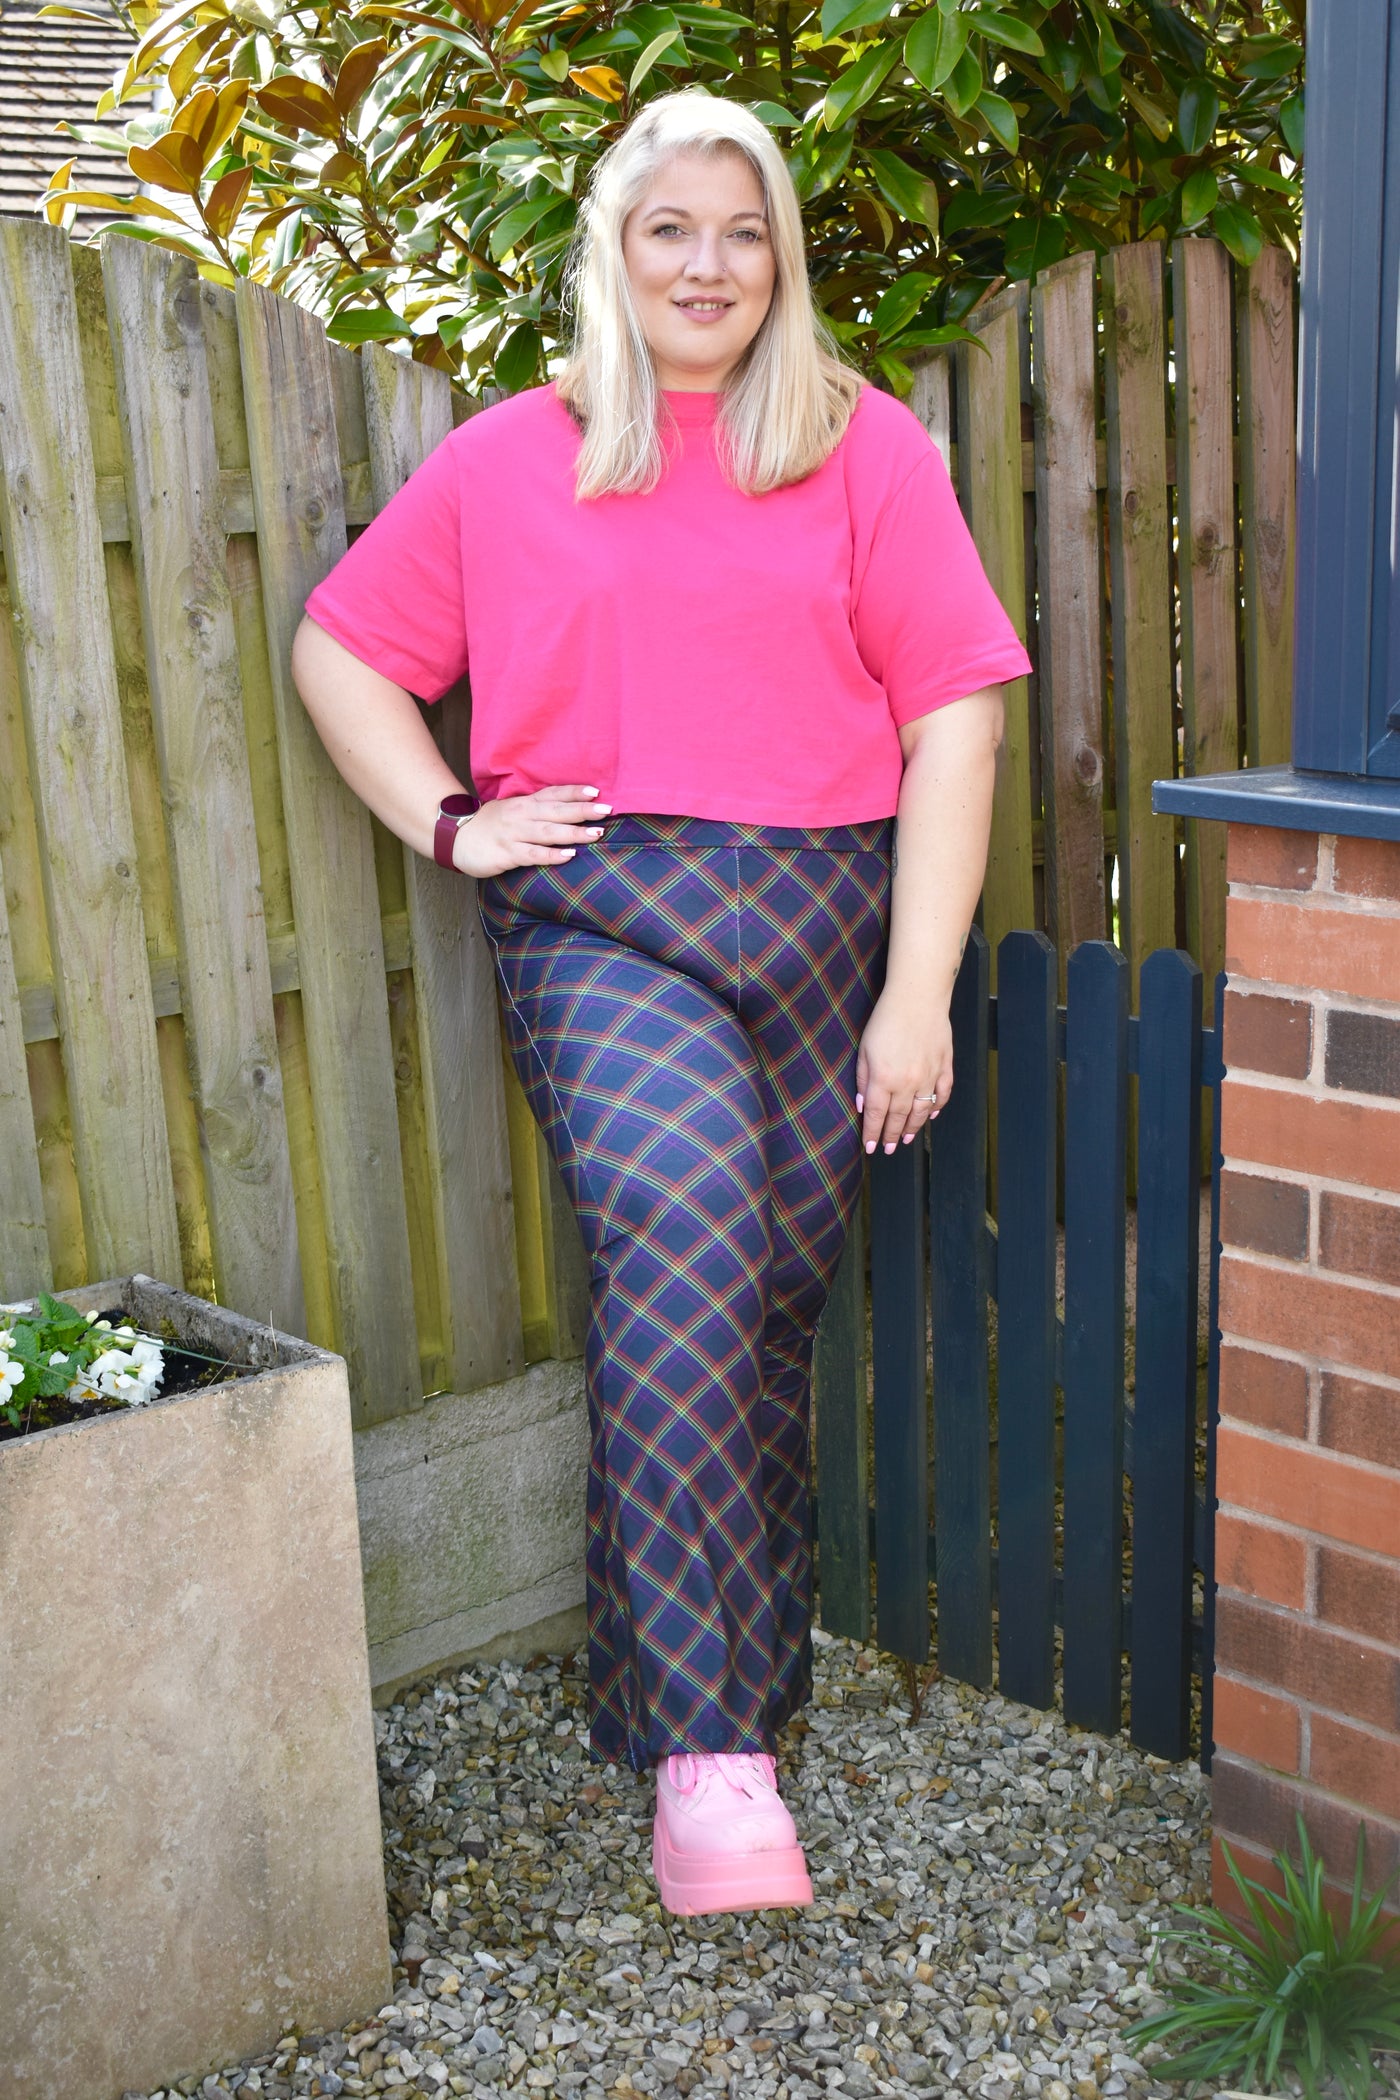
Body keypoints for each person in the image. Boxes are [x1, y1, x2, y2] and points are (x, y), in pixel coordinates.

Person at [292, 88, 1031, 1920]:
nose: (708, 265)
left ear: (782, 258)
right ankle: (714, 1759)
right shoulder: (509, 459)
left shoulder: (863, 451)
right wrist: (452, 821)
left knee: (762, 1306)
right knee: (691, 1238)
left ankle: (680, 1680)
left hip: (828, 913)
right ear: (612, 252)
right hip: (606, 912)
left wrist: (915, 996)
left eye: (742, 230)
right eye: (669, 230)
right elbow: (344, 649)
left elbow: (955, 720)